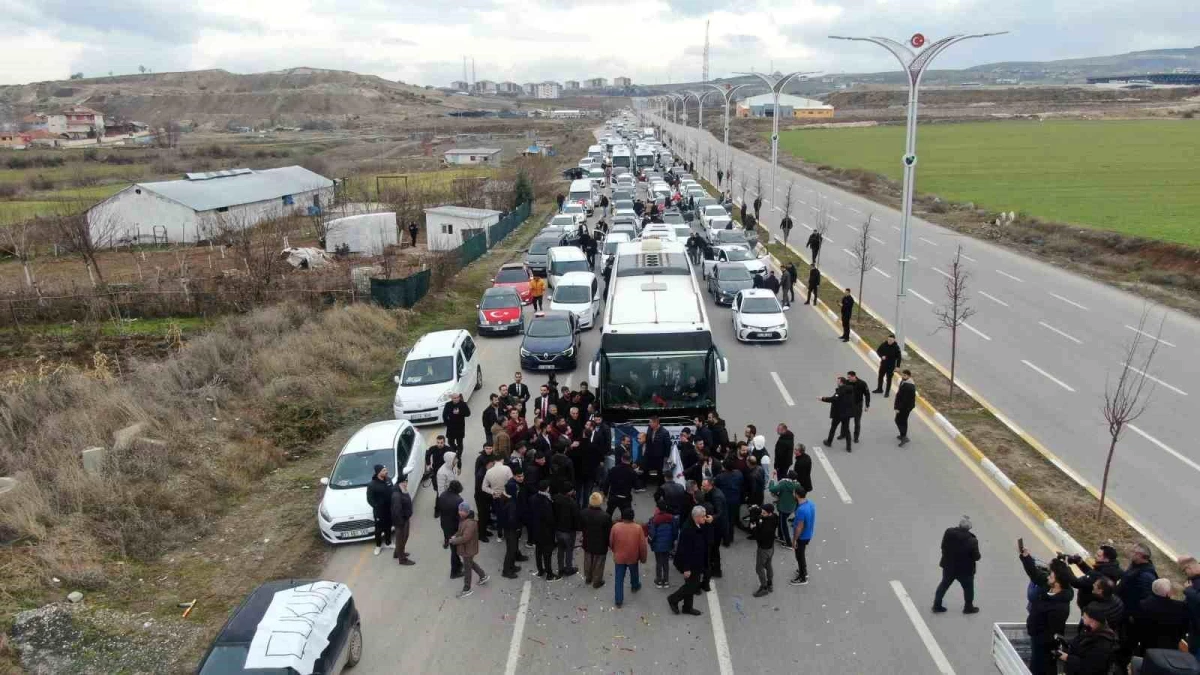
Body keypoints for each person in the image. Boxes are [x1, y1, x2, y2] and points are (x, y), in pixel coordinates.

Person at [1020, 548, 1074, 675]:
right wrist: (1026, 557)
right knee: (1035, 665)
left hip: (1044, 644)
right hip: (1036, 638)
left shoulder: (1060, 608)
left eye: (1051, 575)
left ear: (1058, 582)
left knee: (1043, 668)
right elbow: (1035, 574)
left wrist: (1036, 632)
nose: (1048, 576)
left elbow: (1052, 631)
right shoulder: (1049, 585)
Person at [932, 516, 981, 613]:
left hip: (949, 566)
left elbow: (943, 546)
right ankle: (968, 607)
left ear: (959, 524)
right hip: (965, 570)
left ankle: (936, 605)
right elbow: (977, 557)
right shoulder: (972, 540)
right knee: (968, 589)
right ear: (969, 528)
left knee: (944, 585)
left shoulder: (948, 532)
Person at [668, 505, 709, 616]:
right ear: (696, 517)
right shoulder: (688, 529)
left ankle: (687, 607)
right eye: (703, 516)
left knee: (690, 585)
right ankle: (673, 599)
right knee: (692, 585)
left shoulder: (696, 524)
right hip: (690, 564)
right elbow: (684, 551)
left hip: (696, 561)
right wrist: (686, 568)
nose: (705, 518)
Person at [1133, 578, 1189, 654]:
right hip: (1170, 646)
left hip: (1147, 644)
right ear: (1168, 593)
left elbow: (1137, 624)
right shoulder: (1179, 607)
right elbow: (1185, 627)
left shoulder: (1143, 604)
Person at [1064, 545, 1123, 616]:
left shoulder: (1101, 574)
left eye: (1098, 556)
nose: (1095, 556)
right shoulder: (1111, 568)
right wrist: (1081, 563)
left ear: (1106, 559)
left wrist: (1066, 568)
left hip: (1090, 610)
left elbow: (1076, 583)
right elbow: (1091, 574)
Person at [1059, 605, 1119, 675]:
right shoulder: (1089, 629)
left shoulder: (1103, 642)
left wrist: (1066, 657)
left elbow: (1088, 666)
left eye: (1084, 617)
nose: (1082, 618)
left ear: (1093, 620)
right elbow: (1079, 641)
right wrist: (1066, 643)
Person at [609, 507, 648, 608]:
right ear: (632, 517)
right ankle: (635, 586)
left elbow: (611, 542)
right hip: (633, 557)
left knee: (619, 578)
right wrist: (643, 558)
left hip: (619, 557)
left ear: (622, 517)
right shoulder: (638, 528)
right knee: (634, 572)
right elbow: (642, 546)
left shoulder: (616, 527)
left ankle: (619, 600)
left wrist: (615, 551)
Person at [448, 502, 488, 598]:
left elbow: (466, 537)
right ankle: (483, 576)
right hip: (467, 549)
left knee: (467, 569)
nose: (459, 513)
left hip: (468, 549)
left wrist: (454, 541)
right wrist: (455, 535)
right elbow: (460, 531)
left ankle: (467, 589)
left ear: (467, 512)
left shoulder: (470, 524)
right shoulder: (464, 519)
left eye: (462, 511)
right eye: (459, 510)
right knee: (470, 563)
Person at [580, 492, 612, 589]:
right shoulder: (605, 516)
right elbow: (608, 532)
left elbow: (581, 526)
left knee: (588, 559)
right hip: (601, 543)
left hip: (587, 541)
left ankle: (588, 577)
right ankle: (597, 581)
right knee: (599, 562)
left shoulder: (583, 513)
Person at [496, 474, 524, 578]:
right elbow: (512, 519)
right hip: (511, 530)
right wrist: (517, 527)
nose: (517, 491)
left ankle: (511, 566)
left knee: (511, 548)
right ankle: (506, 570)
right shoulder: (511, 503)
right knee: (511, 550)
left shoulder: (504, 498)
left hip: (507, 529)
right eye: (516, 490)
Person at [530, 479, 558, 581]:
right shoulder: (546, 502)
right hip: (546, 532)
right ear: (547, 488)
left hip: (536, 530)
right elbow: (550, 518)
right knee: (547, 553)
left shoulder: (533, 498)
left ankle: (540, 570)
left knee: (538, 551)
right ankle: (549, 574)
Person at [750, 503, 780, 597]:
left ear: (769, 513)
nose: (762, 513)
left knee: (759, 568)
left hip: (763, 549)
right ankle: (770, 583)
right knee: (768, 565)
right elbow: (761, 513)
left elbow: (759, 537)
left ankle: (764, 587)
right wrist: (758, 509)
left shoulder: (766, 526)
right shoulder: (774, 517)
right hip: (771, 547)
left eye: (764, 513)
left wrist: (754, 528)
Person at [646, 501, 678, 588]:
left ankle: (659, 581)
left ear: (658, 508)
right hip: (668, 544)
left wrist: (650, 541)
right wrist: (672, 540)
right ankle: (666, 581)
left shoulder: (654, 519)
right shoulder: (671, 518)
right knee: (666, 562)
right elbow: (675, 532)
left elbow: (652, 533)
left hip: (657, 545)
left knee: (659, 562)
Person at [552, 483, 581, 578]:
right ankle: (568, 568)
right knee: (569, 550)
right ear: (569, 492)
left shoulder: (555, 499)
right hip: (569, 531)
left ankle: (561, 568)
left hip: (558, 530)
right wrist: (578, 528)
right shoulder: (572, 503)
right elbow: (576, 518)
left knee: (560, 549)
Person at [701, 478, 727, 581]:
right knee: (713, 549)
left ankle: (716, 570)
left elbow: (720, 512)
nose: (702, 487)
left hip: (718, 526)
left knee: (714, 549)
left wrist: (713, 517)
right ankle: (715, 569)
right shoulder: (712, 492)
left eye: (703, 486)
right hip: (717, 525)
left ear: (710, 485)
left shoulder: (716, 496)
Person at [821, 376, 854, 453]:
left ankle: (829, 442)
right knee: (847, 430)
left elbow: (833, 399)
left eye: (838, 381)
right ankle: (849, 447)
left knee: (833, 428)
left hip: (838, 413)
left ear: (841, 382)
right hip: (847, 414)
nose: (837, 382)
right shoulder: (850, 390)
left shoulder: (840, 391)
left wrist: (822, 398)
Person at [366, 464, 393, 555]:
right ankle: (378, 546)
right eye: (384, 470)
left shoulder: (388, 480)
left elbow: (392, 491)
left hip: (389, 510)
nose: (386, 472)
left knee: (388, 527)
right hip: (379, 512)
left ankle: (388, 543)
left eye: (386, 470)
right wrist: (377, 506)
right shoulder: (372, 485)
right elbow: (370, 499)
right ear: (378, 472)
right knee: (378, 530)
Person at [790, 487, 815, 586]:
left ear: (797, 495)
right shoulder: (810, 504)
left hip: (802, 537)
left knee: (799, 556)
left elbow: (799, 527)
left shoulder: (801, 510)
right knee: (801, 554)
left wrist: (794, 540)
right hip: (808, 534)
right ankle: (803, 571)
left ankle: (802, 577)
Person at [768, 469, 799, 547]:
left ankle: (788, 542)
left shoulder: (783, 484)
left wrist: (772, 478)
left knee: (783, 525)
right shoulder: (797, 485)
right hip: (791, 507)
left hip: (782, 508)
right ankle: (780, 536)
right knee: (782, 521)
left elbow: (772, 489)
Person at [390, 475, 415, 566]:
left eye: (406, 481)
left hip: (404, 518)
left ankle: (397, 553)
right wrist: (401, 522)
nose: (406, 483)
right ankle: (402, 559)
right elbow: (397, 510)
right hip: (401, 521)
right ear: (400, 482)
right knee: (401, 538)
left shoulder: (402, 489)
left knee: (404, 537)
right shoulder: (397, 495)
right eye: (404, 482)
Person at [1179, 555, 1200, 658]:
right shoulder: (1193, 579)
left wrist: (1189, 590)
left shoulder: (1192, 584)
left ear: (1189, 567)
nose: (1185, 573)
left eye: (1184, 570)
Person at [607, 452, 636, 517]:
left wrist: (605, 493)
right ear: (631, 460)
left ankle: (607, 526)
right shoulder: (632, 472)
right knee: (627, 516)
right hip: (625, 497)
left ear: (621, 459)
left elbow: (607, 482)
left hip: (613, 496)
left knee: (608, 514)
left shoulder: (614, 469)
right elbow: (636, 485)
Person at [894, 370, 916, 447]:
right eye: (903, 375)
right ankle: (903, 435)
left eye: (905, 376)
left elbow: (904, 400)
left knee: (898, 420)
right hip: (905, 406)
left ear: (909, 376)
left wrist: (897, 408)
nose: (903, 377)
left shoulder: (909, 386)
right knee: (903, 420)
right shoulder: (905, 382)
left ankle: (904, 437)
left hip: (905, 407)